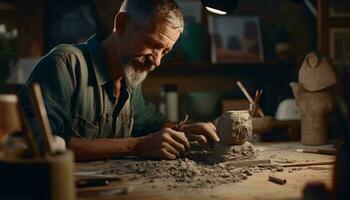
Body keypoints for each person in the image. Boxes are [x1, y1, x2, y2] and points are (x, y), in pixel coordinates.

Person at [20, 0, 219, 161]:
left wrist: (185, 130)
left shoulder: (130, 74)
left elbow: (150, 124)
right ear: (122, 24)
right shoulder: (65, 65)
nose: (157, 61)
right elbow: (38, 143)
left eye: (164, 51)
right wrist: (135, 146)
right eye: (151, 44)